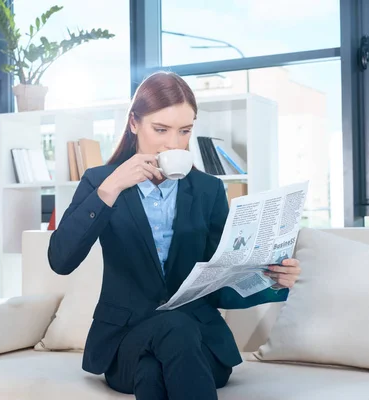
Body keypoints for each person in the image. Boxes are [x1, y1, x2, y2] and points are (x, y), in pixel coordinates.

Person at [47, 71, 302, 400]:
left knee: (154, 371)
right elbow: (60, 260)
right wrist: (111, 189)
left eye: (185, 131)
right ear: (134, 123)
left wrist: (272, 278)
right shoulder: (101, 182)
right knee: (169, 334)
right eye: (161, 129)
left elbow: (220, 283)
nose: (173, 143)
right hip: (126, 340)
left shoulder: (208, 190)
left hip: (198, 342)